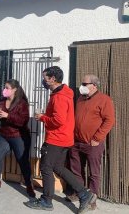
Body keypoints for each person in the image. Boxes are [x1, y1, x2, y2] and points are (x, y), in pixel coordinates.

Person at [24, 66, 96, 213]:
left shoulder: (59, 97)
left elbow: (58, 120)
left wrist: (42, 117)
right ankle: (84, 194)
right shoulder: (64, 93)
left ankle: (46, 201)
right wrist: (46, 115)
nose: (43, 81)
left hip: (56, 139)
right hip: (64, 138)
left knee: (46, 168)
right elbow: (59, 117)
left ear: (53, 79)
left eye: (45, 78)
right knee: (58, 167)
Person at [66, 74, 115, 209]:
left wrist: (97, 138)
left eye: (85, 84)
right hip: (76, 142)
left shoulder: (104, 99)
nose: (82, 86)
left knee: (94, 173)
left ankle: (91, 200)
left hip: (93, 143)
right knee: (76, 170)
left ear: (94, 85)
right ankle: (80, 193)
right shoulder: (80, 99)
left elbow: (109, 120)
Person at [0, 79, 35, 198]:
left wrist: (8, 115)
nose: (4, 90)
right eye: (4, 87)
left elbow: (23, 121)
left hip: (18, 135)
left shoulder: (22, 103)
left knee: (23, 161)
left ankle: (29, 185)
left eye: (7, 88)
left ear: (14, 90)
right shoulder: (2, 101)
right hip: (3, 134)